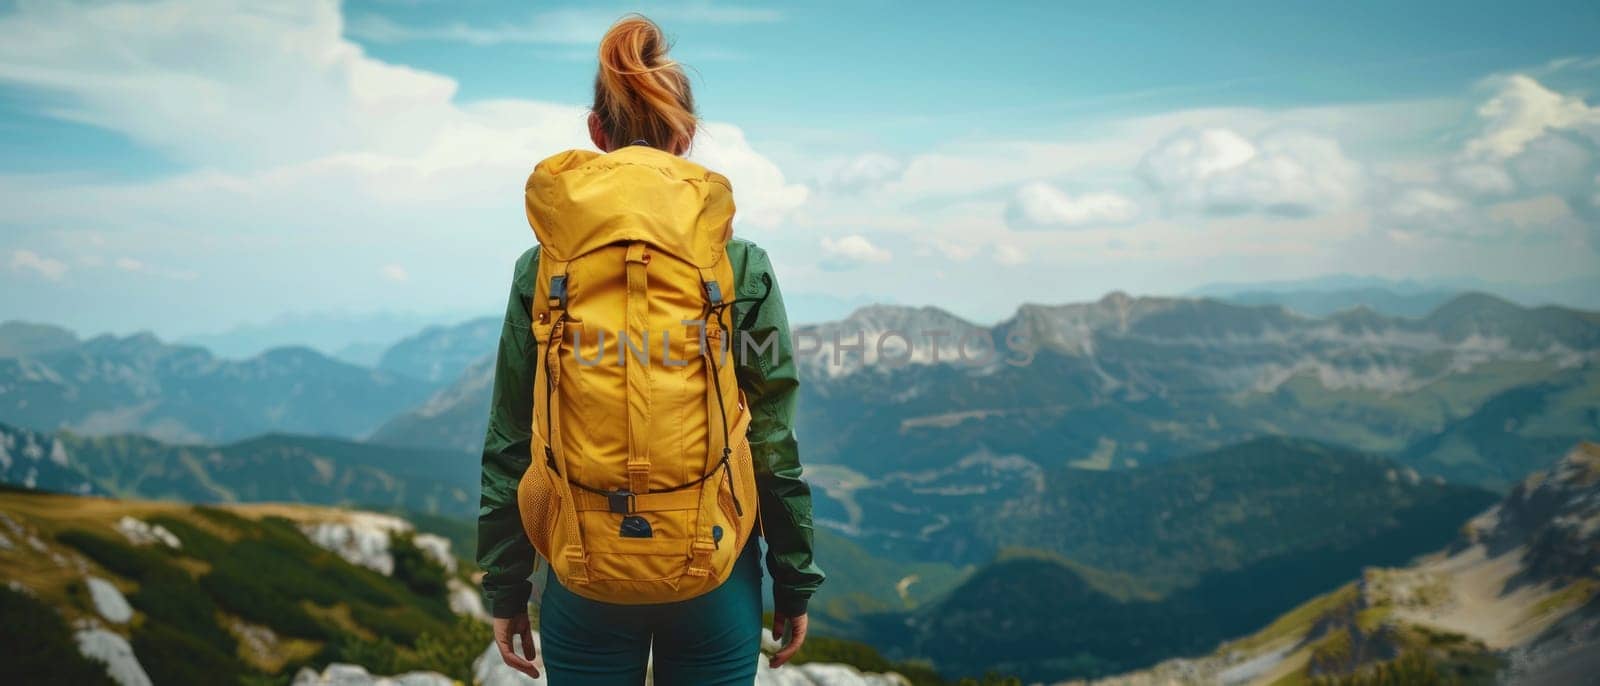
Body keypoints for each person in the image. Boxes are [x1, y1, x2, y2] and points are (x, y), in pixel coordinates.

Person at [475, 14, 824, 685]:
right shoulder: (740, 265)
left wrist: (506, 585)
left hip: (582, 564)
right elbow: (772, 438)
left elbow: (511, 436)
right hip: (714, 568)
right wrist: (794, 579)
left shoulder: (542, 270)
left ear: (595, 133)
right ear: (686, 138)